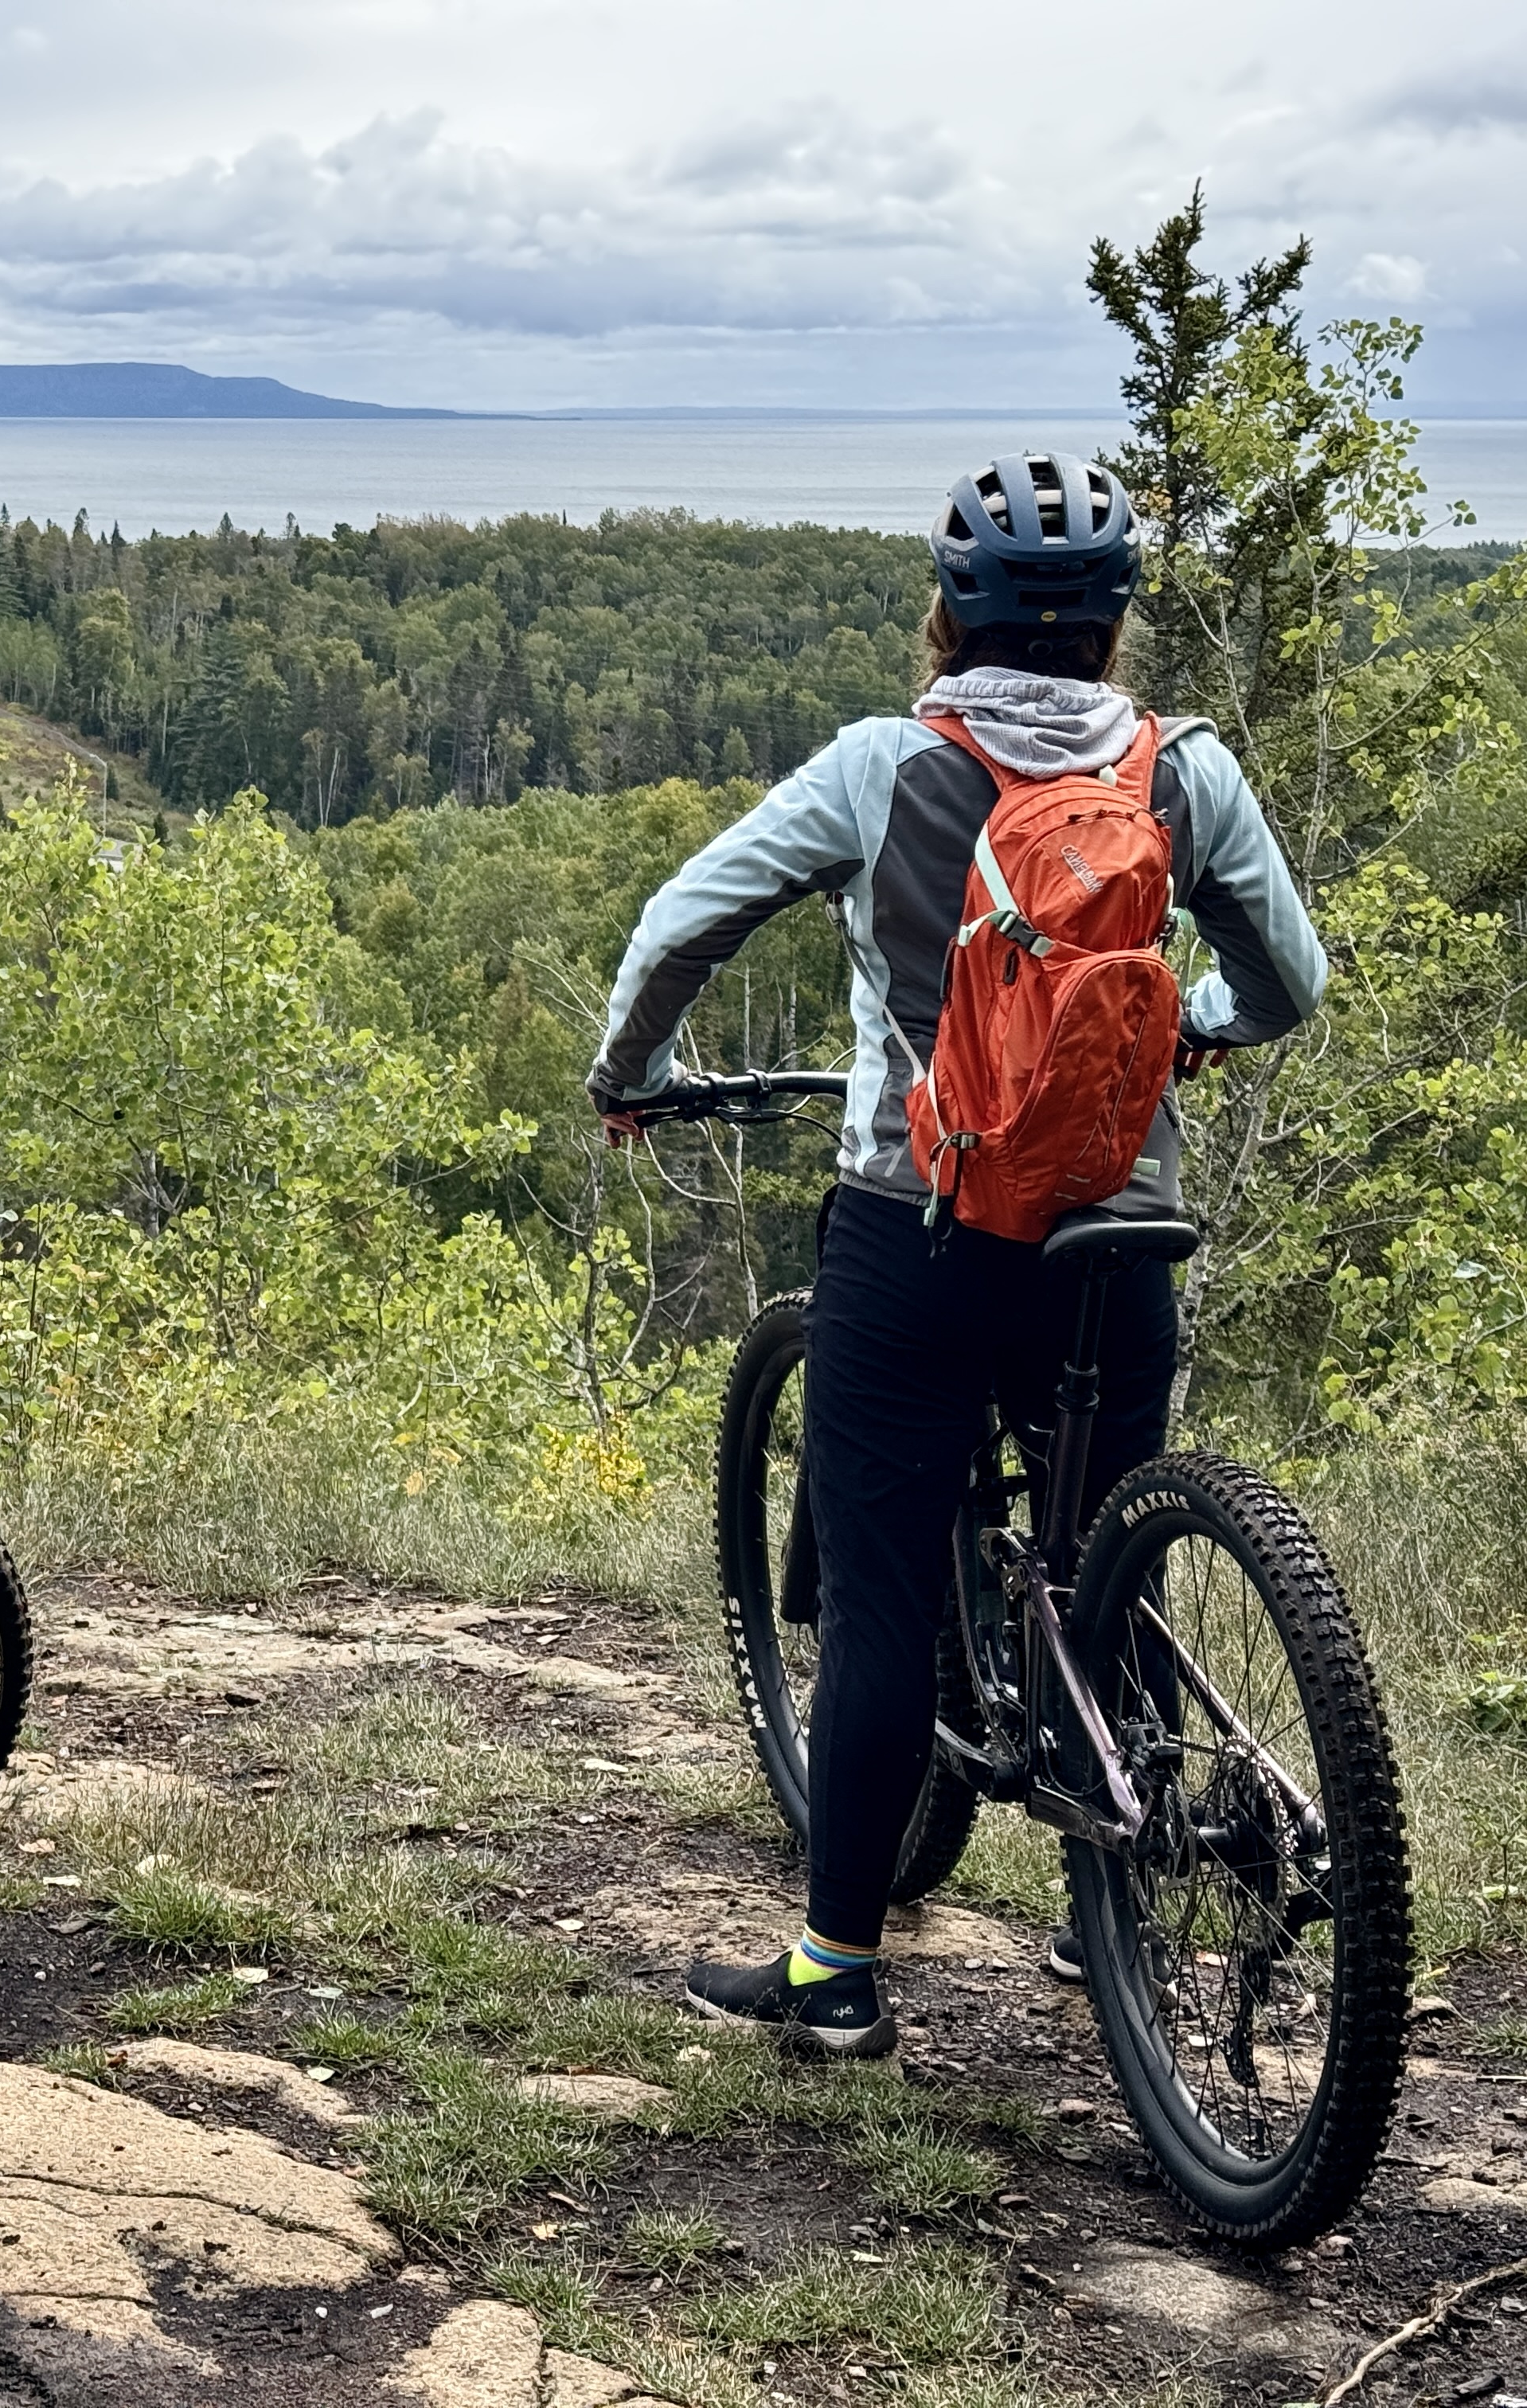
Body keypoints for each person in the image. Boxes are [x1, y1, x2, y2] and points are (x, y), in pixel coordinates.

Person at [584, 454, 1328, 2056]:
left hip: (916, 1231)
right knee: (1105, 1558)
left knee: (876, 1591)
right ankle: (1101, 1911)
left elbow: (677, 926)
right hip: (1120, 1238)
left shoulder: (880, 768)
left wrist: (627, 1074)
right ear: (1114, 624)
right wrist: (1187, 1028)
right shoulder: (1180, 772)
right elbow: (1291, 981)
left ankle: (837, 1974)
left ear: (948, 615)